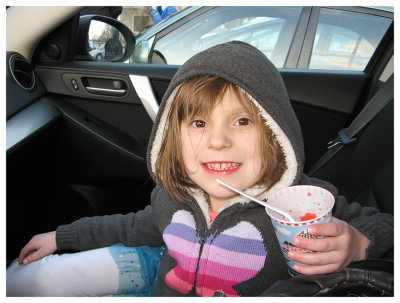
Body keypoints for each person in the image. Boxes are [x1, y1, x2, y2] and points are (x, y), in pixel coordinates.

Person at [6, 41, 393, 297]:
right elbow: (130, 226)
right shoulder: (171, 196)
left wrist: (357, 245)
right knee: (23, 281)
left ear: (276, 135)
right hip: (158, 271)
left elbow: (384, 231)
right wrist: (63, 236)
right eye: (198, 123)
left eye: (242, 122)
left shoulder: (299, 203)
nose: (218, 140)